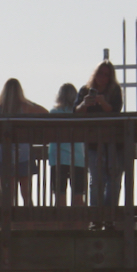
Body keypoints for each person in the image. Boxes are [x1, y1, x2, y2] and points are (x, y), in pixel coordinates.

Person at [74, 60, 125, 211]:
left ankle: (110, 215)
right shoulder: (85, 90)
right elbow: (75, 112)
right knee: (96, 180)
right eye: (99, 73)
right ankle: (96, 216)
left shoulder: (115, 90)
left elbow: (116, 111)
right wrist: (84, 104)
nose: (102, 77)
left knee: (114, 179)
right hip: (93, 142)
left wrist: (103, 103)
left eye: (106, 75)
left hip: (114, 142)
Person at [0, 79, 48, 207]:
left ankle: (9, 224)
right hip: (24, 153)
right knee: (26, 195)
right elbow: (45, 112)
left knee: (7, 196)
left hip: (4, 154)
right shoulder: (26, 106)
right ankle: (29, 223)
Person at [48, 83, 87, 207]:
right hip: (78, 158)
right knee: (78, 197)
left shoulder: (54, 113)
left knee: (60, 197)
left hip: (58, 158)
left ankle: (61, 225)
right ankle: (80, 225)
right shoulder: (79, 114)